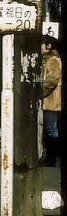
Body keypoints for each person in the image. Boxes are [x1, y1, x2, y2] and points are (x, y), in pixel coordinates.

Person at [42, 35, 62, 167]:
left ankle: (51, 158)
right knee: (50, 130)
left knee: (51, 131)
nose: (41, 47)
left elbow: (52, 80)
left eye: (43, 44)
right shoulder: (49, 60)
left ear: (49, 46)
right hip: (50, 102)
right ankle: (50, 157)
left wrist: (40, 92)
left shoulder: (53, 60)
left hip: (51, 102)